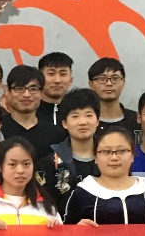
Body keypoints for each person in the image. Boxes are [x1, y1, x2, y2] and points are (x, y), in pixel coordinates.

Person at [35, 87, 100, 219]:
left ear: (98, 121)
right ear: (64, 123)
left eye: (89, 115)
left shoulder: (110, 158)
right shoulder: (49, 163)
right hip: (62, 229)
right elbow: (42, 206)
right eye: (75, 116)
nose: (83, 122)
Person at [1, 64, 65, 158]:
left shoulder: (56, 134)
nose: (26, 95)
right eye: (19, 88)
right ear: (8, 92)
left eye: (33, 89)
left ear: (41, 93)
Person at [87, 59, 139, 145]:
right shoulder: (85, 123)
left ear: (123, 83)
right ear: (90, 84)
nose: (109, 83)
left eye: (115, 78)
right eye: (102, 79)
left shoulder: (137, 121)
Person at [37, 52, 74, 125]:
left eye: (63, 74)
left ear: (71, 80)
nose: (57, 80)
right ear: (39, 78)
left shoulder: (77, 112)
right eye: (51, 74)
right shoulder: (29, 112)